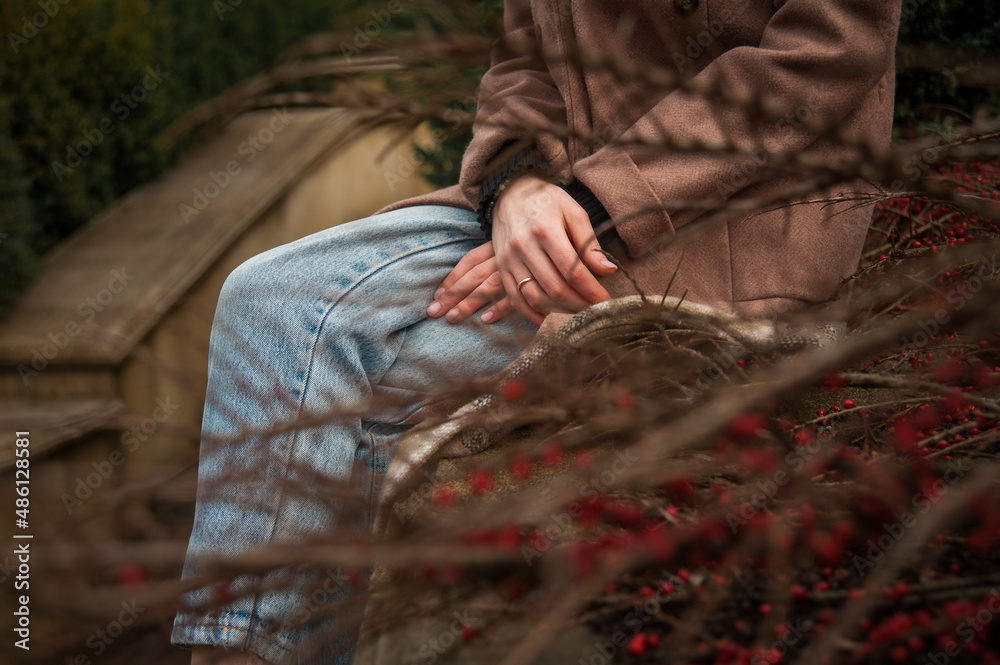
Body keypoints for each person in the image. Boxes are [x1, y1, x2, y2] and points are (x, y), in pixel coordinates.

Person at [172, 0, 902, 662]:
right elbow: (522, 60)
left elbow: (827, 54)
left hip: (729, 226)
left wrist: (597, 205)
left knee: (359, 389)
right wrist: (516, 185)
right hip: (549, 202)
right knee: (267, 299)